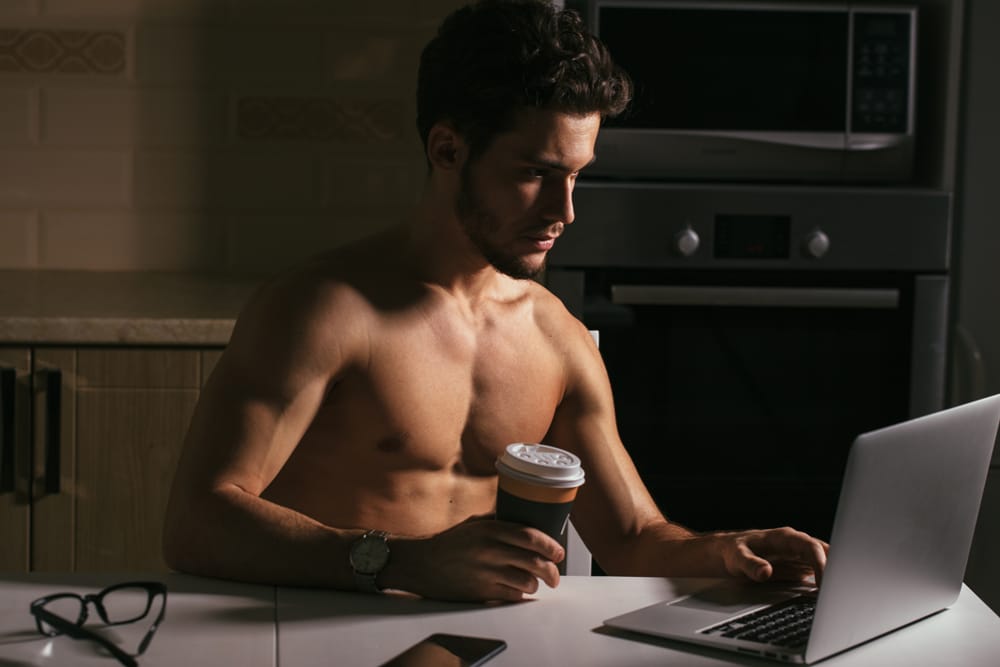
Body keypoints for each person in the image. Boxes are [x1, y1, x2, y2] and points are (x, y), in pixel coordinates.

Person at [162, 0, 828, 602]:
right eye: (535, 174)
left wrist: (724, 550)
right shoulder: (324, 311)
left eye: (575, 177)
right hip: (325, 642)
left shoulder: (555, 338)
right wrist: (401, 562)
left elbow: (629, 536)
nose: (564, 211)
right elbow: (199, 519)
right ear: (448, 148)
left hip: (488, 648)